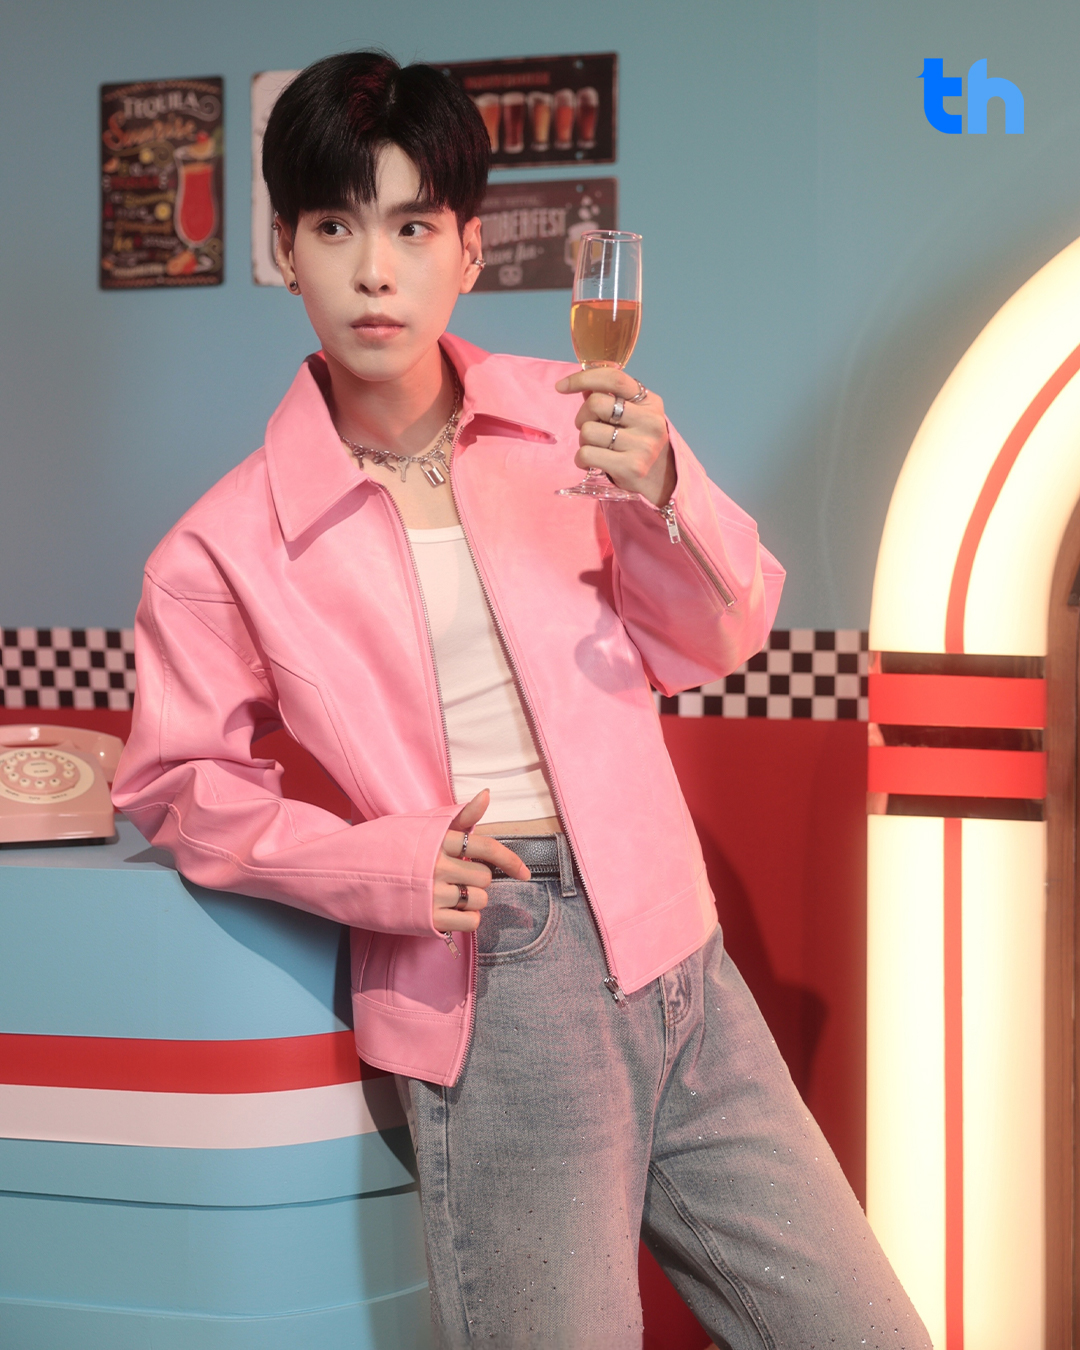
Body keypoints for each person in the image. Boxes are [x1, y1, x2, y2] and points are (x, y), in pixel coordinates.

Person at [112, 50, 930, 1350]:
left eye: (412, 227)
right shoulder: (222, 544)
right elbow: (174, 785)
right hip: (493, 967)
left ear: (471, 251)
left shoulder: (577, 421)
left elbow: (717, 638)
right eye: (334, 227)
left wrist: (663, 491)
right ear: (284, 251)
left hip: (675, 944)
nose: (374, 272)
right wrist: (378, 866)